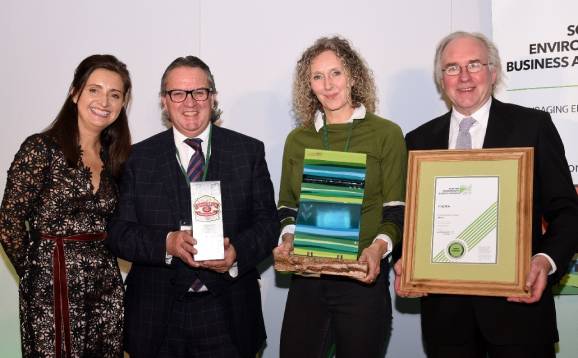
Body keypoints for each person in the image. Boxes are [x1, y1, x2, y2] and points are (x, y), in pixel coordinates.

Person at [394, 31, 578, 357]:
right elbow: (407, 218)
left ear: (493, 72)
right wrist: (404, 259)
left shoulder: (532, 126)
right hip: (447, 324)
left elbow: (567, 211)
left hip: (519, 313)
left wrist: (546, 260)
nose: (463, 77)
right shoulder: (418, 140)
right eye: (452, 68)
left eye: (474, 64)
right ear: (441, 79)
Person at [106, 56, 279, 358]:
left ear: (212, 97)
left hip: (228, 312)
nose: (190, 102)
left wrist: (236, 252)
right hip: (157, 316)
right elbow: (120, 233)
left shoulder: (248, 151)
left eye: (199, 92)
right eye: (178, 93)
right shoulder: (136, 158)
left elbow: (267, 224)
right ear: (164, 101)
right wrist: (166, 243)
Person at [275, 36, 406, 358]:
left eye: (336, 73)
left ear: (353, 77)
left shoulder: (385, 134)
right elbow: (287, 206)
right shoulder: (298, 139)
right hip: (308, 276)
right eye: (317, 76)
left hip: (361, 278)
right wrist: (289, 236)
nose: (328, 84)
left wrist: (378, 249)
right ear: (309, 85)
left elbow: (396, 210)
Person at [0, 54, 132, 357]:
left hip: (106, 288)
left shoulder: (117, 158)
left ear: (123, 103)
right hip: (52, 288)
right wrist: (39, 272)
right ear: (75, 93)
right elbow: (8, 223)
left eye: (115, 95)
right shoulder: (40, 149)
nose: (104, 101)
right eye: (94, 90)